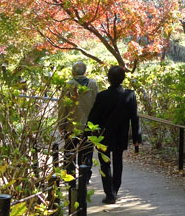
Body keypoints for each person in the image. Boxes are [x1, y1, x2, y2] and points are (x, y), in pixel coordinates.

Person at [88, 65, 142, 204]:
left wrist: (89, 134)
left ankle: (109, 193)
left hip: (103, 135)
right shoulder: (130, 95)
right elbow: (134, 118)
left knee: (105, 164)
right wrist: (137, 138)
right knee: (118, 162)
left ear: (108, 78)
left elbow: (93, 118)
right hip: (121, 134)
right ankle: (115, 190)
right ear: (123, 78)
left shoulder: (101, 96)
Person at [57, 61, 99, 183]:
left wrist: (61, 124)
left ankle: (69, 177)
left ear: (73, 72)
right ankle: (85, 177)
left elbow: (62, 106)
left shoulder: (68, 85)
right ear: (85, 72)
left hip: (71, 125)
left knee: (69, 152)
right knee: (87, 152)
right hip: (89, 125)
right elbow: (98, 104)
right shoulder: (93, 84)